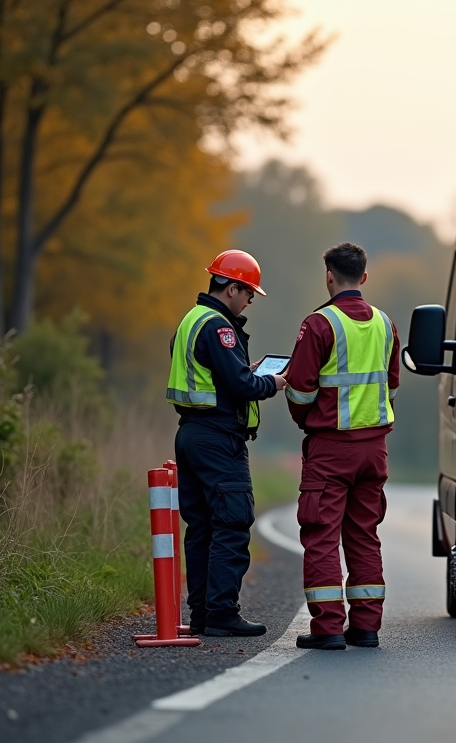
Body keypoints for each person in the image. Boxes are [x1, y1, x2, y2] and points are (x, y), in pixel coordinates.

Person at [285, 242, 400, 650]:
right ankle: (366, 628)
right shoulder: (386, 324)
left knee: (321, 535)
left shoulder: (319, 324)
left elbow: (299, 391)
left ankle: (329, 628)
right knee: (364, 535)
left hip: (331, 449)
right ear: (364, 277)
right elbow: (391, 385)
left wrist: (308, 424)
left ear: (329, 276)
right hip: (375, 450)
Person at [167, 249, 287, 637]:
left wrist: (241, 371)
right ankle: (221, 612)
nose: (250, 300)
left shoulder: (191, 320)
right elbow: (239, 386)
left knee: (201, 526)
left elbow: (213, 375)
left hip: (190, 434)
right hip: (219, 438)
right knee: (232, 523)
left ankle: (202, 613)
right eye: (249, 292)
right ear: (231, 287)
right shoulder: (219, 326)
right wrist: (274, 382)